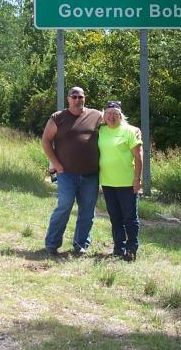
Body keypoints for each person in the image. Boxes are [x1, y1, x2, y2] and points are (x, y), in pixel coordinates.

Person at [41, 86, 103, 256]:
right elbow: (46, 141)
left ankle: (81, 244)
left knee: (87, 211)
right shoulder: (57, 118)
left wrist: (133, 129)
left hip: (90, 175)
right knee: (64, 206)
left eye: (80, 96)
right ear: (68, 99)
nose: (77, 99)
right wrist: (56, 165)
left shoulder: (96, 116)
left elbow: (115, 123)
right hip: (66, 174)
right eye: (74, 96)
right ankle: (52, 244)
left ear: (85, 98)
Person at [98, 100, 143, 261]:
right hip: (108, 183)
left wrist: (137, 179)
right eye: (108, 114)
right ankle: (118, 247)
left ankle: (131, 249)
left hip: (127, 183)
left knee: (129, 218)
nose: (111, 117)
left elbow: (139, 157)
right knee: (115, 217)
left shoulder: (130, 131)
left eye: (115, 114)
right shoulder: (100, 130)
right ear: (104, 115)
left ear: (120, 115)